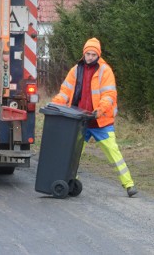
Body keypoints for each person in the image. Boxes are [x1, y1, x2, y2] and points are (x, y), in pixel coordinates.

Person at [51, 37, 138, 197]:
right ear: (83, 54)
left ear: (98, 55)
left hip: (101, 121)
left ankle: (129, 185)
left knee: (114, 153)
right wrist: (55, 104)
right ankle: (71, 181)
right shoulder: (76, 70)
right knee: (73, 154)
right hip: (79, 121)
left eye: (93, 54)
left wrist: (99, 110)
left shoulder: (105, 71)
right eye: (87, 54)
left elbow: (109, 95)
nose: (90, 57)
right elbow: (65, 91)